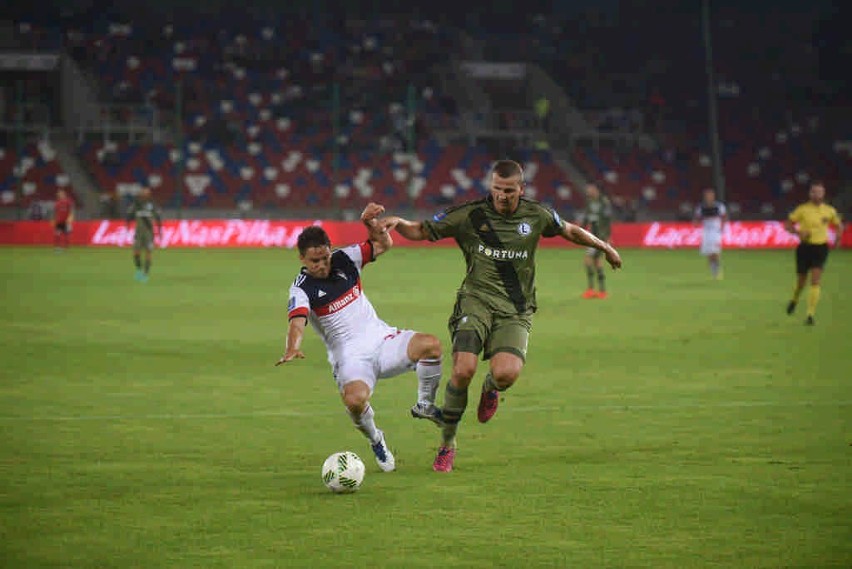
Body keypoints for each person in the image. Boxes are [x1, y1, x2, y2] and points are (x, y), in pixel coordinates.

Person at [379, 159, 622, 472]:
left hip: (515, 310)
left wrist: (604, 246)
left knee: (507, 373)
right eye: (497, 189)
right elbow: (423, 230)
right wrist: (398, 223)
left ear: (521, 189)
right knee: (463, 369)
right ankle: (447, 444)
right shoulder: (471, 214)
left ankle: (491, 387)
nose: (502, 195)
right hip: (475, 302)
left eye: (508, 190)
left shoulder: (537, 214)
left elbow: (570, 231)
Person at [275, 203, 444, 473]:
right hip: (350, 357)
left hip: (382, 339)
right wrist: (292, 347)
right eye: (314, 261)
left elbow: (384, 243)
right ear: (302, 259)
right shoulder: (301, 288)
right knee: (354, 401)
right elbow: (297, 320)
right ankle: (376, 439)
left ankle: (425, 404)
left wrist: (369, 223)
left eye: (325, 257)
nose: (321, 265)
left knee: (431, 345)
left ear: (331, 250)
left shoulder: (346, 258)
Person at [784, 181, 844, 325]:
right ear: (810, 194)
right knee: (801, 282)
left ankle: (810, 315)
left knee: (815, 280)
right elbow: (788, 224)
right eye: (814, 192)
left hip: (820, 248)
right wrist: (798, 232)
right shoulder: (802, 209)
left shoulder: (829, 210)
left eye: (819, 192)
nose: (816, 194)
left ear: (823, 194)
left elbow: (839, 225)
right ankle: (795, 299)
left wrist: (837, 239)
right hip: (804, 248)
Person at [580, 182, 614, 298]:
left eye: (591, 189)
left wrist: (608, 237)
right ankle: (597, 291)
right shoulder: (590, 203)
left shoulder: (604, 202)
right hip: (592, 236)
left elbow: (608, 220)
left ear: (596, 190)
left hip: (601, 236)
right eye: (588, 190)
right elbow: (586, 219)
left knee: (594, 261)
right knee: (593, 261)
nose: (588, 192)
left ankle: (598, 291)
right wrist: (581, 232)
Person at [126, 187, 162, 282]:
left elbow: (158, 218)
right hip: (138, 233)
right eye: (143, 193)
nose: (145, 194)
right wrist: (127, 225)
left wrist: (160, 231)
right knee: (136, 253)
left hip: (149, 234)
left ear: (149, 195)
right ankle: (138, 271)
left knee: (148, 253)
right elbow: (129, 215)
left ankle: (145, 274)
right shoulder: (136, 205)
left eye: (147, 193)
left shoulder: (152, 205)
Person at [693, 188, 727, 280]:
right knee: (709, 253)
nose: (709, 197)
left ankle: (717, 268)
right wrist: (696, 223)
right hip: (706, 231)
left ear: (713, 196)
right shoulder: (701, 207)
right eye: (707, 195)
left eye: (710, 195)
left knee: (715, 251)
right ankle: (714, 270)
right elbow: (697, 218)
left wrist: (722, 227)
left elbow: (724, 217)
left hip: (716, 231)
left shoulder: (719, 206)